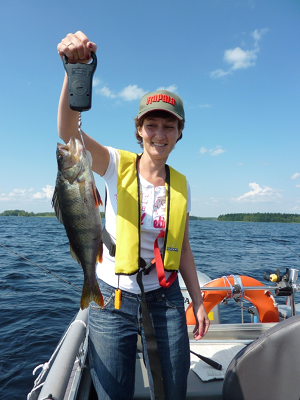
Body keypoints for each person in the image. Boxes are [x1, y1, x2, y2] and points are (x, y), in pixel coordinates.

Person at [57, 31, 210, 400]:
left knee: (174, 389)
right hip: (112, 296)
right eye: (151, 125)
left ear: (179, 133)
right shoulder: (115, 164)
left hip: (167, 296)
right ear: (139, 129)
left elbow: (184, 249)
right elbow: (67, 133)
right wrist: (74, 73)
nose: (160, 133)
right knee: (114, 392)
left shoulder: (182, 185)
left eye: (169, 125)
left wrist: (199, 301)